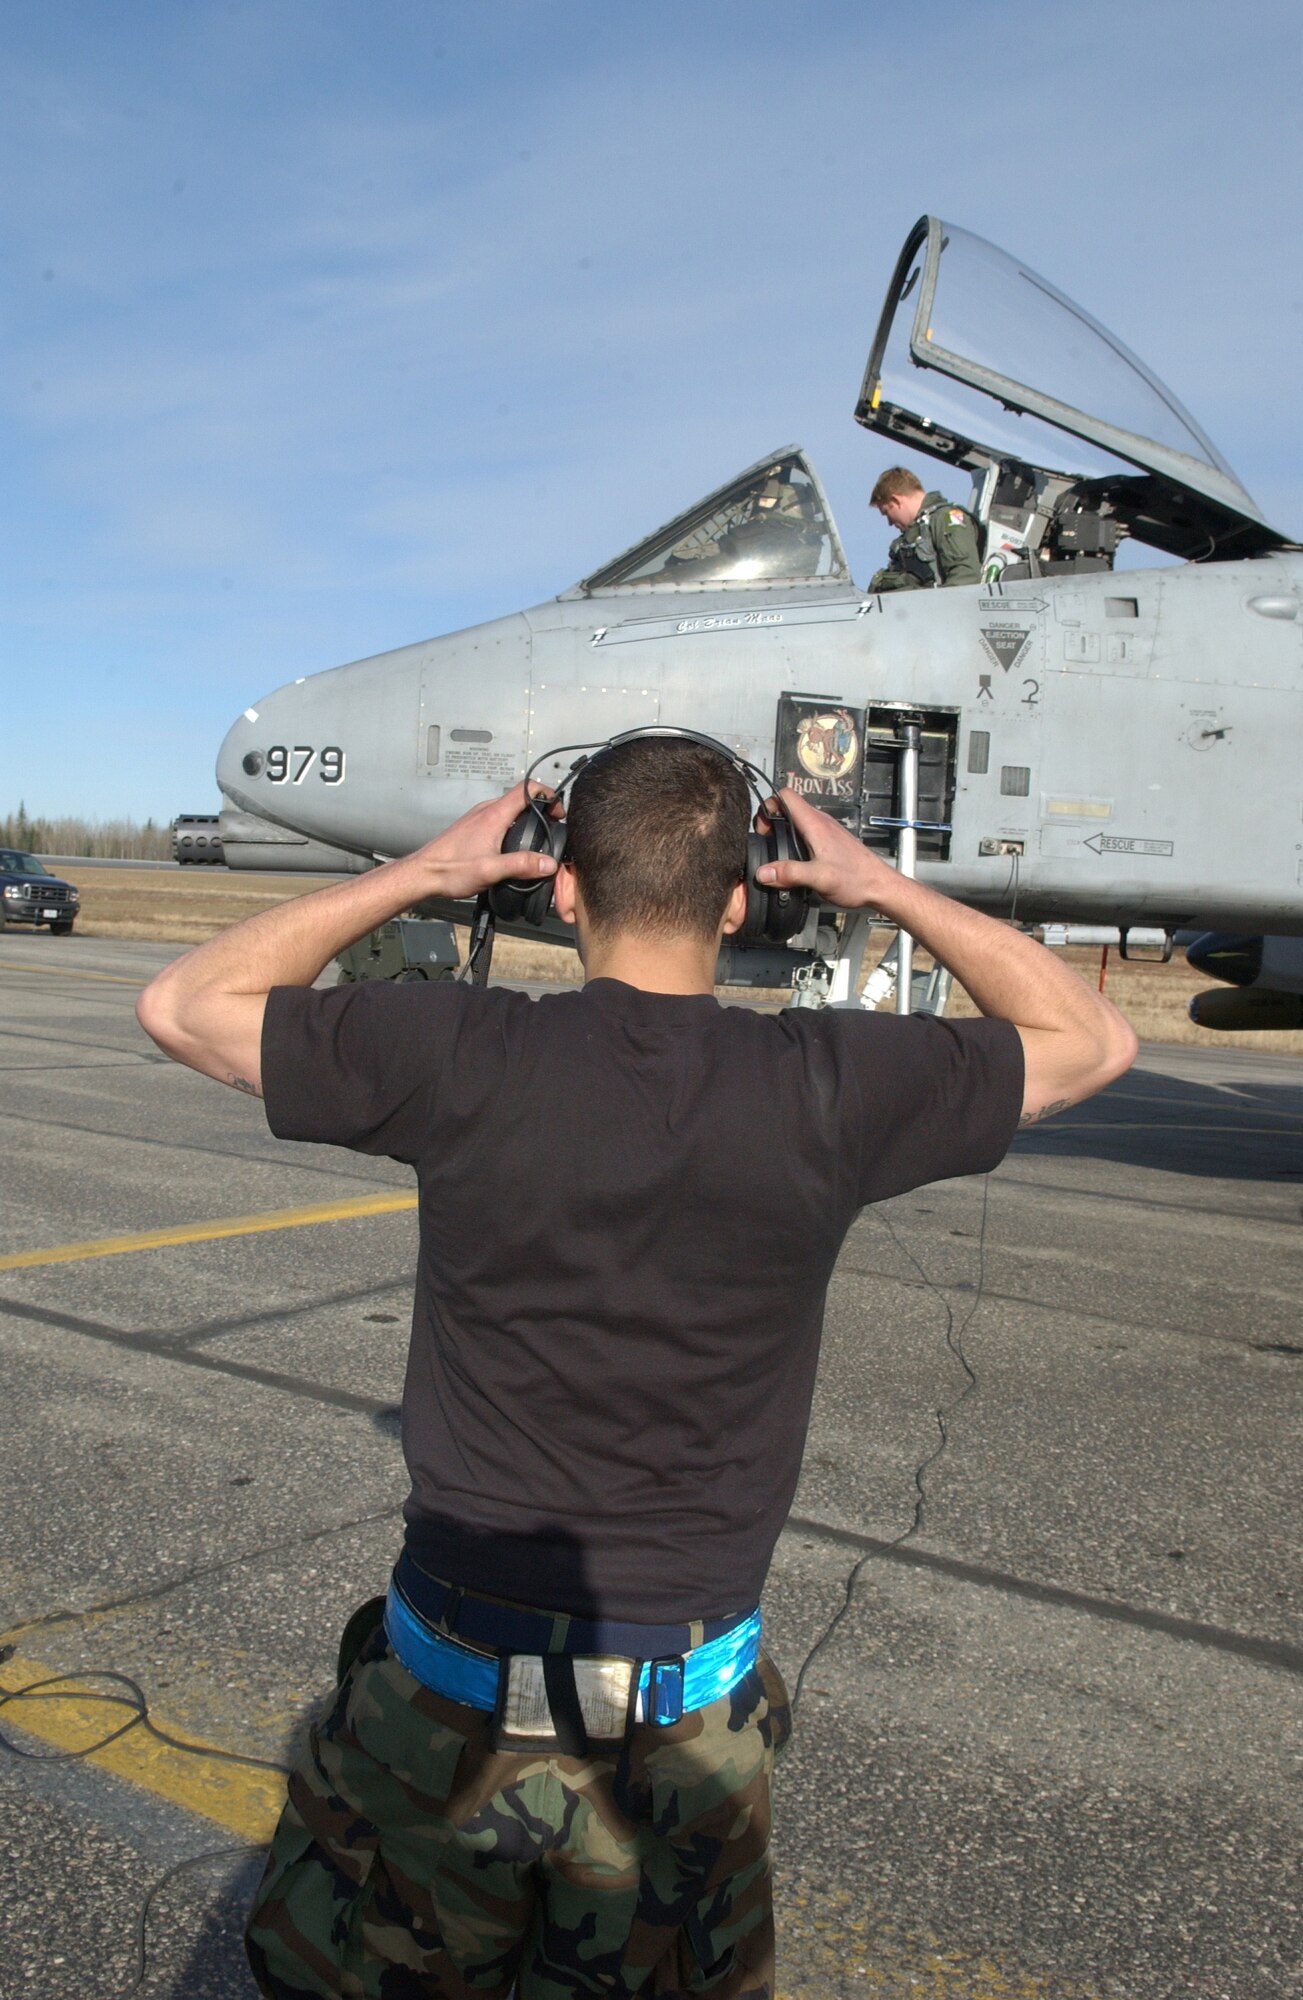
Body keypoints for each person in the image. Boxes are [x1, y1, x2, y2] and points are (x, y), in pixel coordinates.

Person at [135, 737, 1136, 1999]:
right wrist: (878, 885)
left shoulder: (461, 1050)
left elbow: (183, 1004)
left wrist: (425, 870)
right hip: (681, 1729)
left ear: (561, 888)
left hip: (443, 1701)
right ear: (740, 898)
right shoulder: (828, 1080)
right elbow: (1092, 1040)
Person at [869, 466, 982, 592]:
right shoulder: (905, 542)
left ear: (896, 500)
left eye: (886, 512)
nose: (889, 522)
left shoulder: (945, 519)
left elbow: (966, 578)